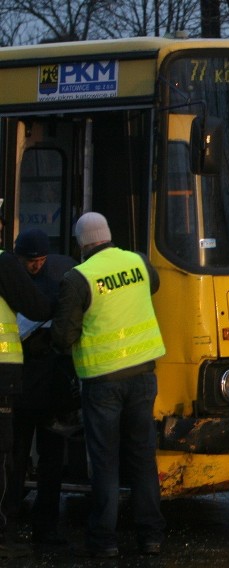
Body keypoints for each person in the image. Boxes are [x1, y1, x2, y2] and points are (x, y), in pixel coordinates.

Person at [50, 212, 166, 558]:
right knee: (143, 457)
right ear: (108, 235)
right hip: (143, 375)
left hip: (102, 382)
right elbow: (153, 286)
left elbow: (63, 335)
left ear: (82, 244)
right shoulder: (139, 263)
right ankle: (151, 537)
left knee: (105, 462)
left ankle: (105, 541)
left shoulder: (79, 277)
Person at [8, 229, 77, 548]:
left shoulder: (59, 275)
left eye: (39, 261)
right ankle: (13, 521)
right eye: (29, 261)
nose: (34, 266)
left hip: (45, 388)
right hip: (23, 387)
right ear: (17, 256)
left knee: (49, 462)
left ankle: (45, 527)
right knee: (16, 459)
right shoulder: (51, 276)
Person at [0, 235, 52, 559]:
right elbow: (35, 306)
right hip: (2, 372)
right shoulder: (4, 261)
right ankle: (3, 533)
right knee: (3, 455)